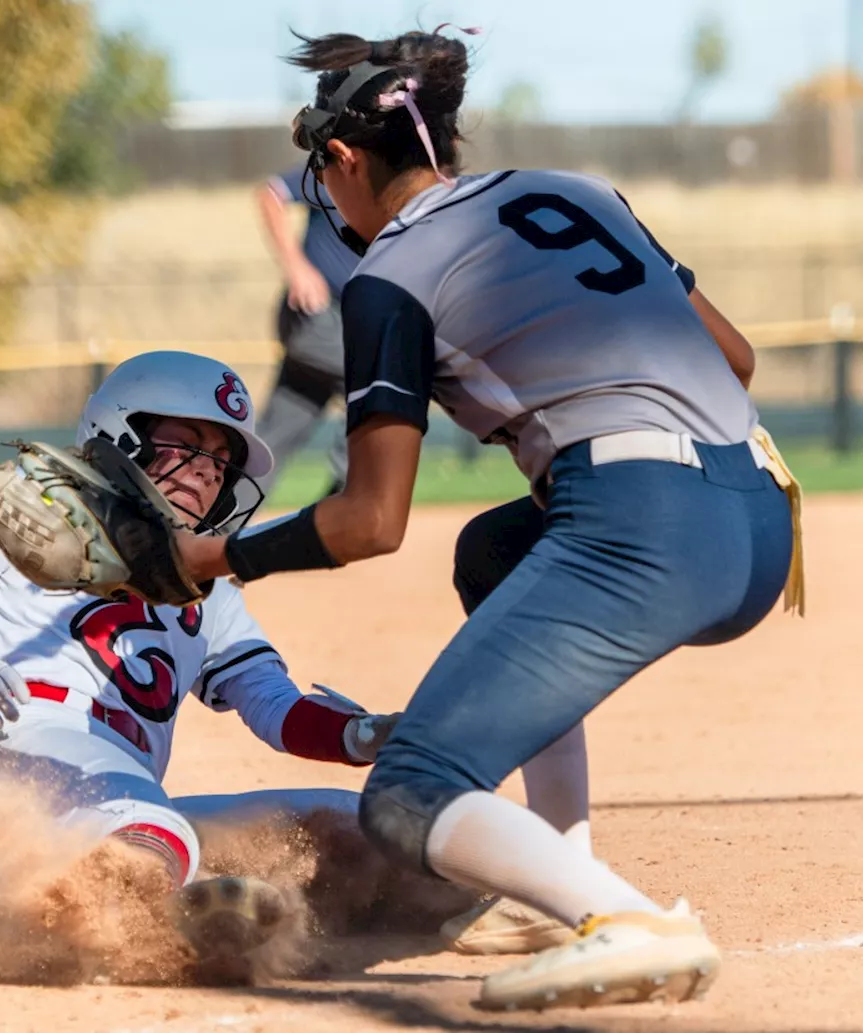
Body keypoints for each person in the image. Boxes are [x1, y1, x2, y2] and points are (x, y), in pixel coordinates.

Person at [171, 27, 800, 1011]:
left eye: (319, 174)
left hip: (650, 530)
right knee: (493, 551)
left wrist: (221, 557)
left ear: (341, 160)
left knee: (410, 792)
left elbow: (369, 521)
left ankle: (623, 920)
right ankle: (562, 877)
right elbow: (735, 360)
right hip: (757, 517)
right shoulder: (584, 193)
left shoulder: (389, 274)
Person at [0, 351, 402, 960]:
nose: (208, 471)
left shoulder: (212, 584)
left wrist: (364, 735)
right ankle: (135, 936)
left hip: (113, 793)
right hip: (13, 762)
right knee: (149, 824)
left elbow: (274, 706)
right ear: (122, 431)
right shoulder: (28, 506)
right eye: (190, 445)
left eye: (223, 462)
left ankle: (462, 904)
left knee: (360, 822)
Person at [252, 164, 361, 497]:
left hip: (354, 323)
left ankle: (210, 529)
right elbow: (270, 192)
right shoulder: (350, 168)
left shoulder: (415, 185)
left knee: (275, 435)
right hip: (315, 314)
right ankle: (346, 505)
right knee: (383, 383)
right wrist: (296, 265)